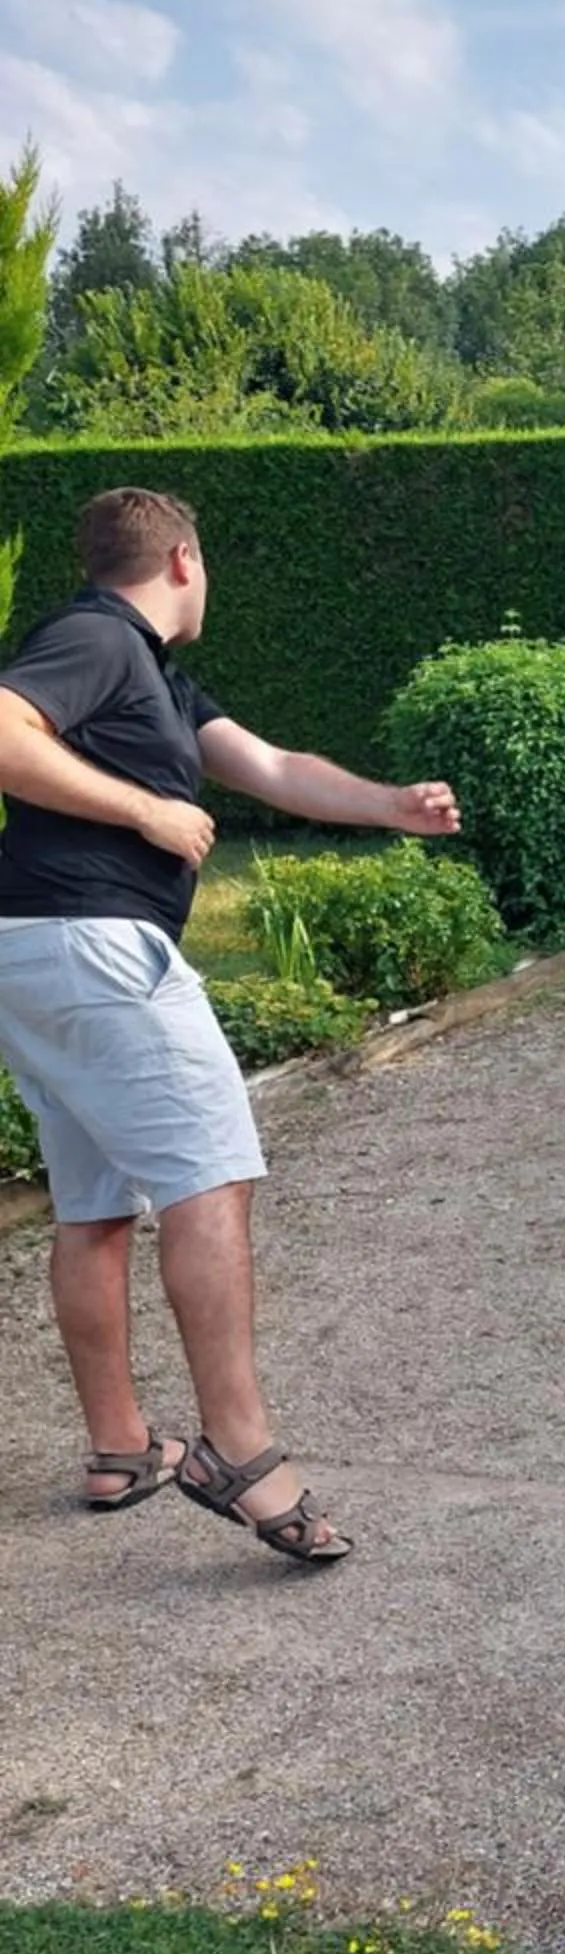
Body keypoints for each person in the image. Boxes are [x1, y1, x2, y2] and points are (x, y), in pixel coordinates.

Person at [0, 487, 460, 1567]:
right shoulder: (96, 639)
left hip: (35, 951)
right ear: (183, 561)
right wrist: (144, 810)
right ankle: (237, 1452)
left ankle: (121, 1447)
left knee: (94, 1201)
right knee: (210, 1179)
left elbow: (272, 768)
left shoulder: (152, 674)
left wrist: (393, 803)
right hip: (96, 946)